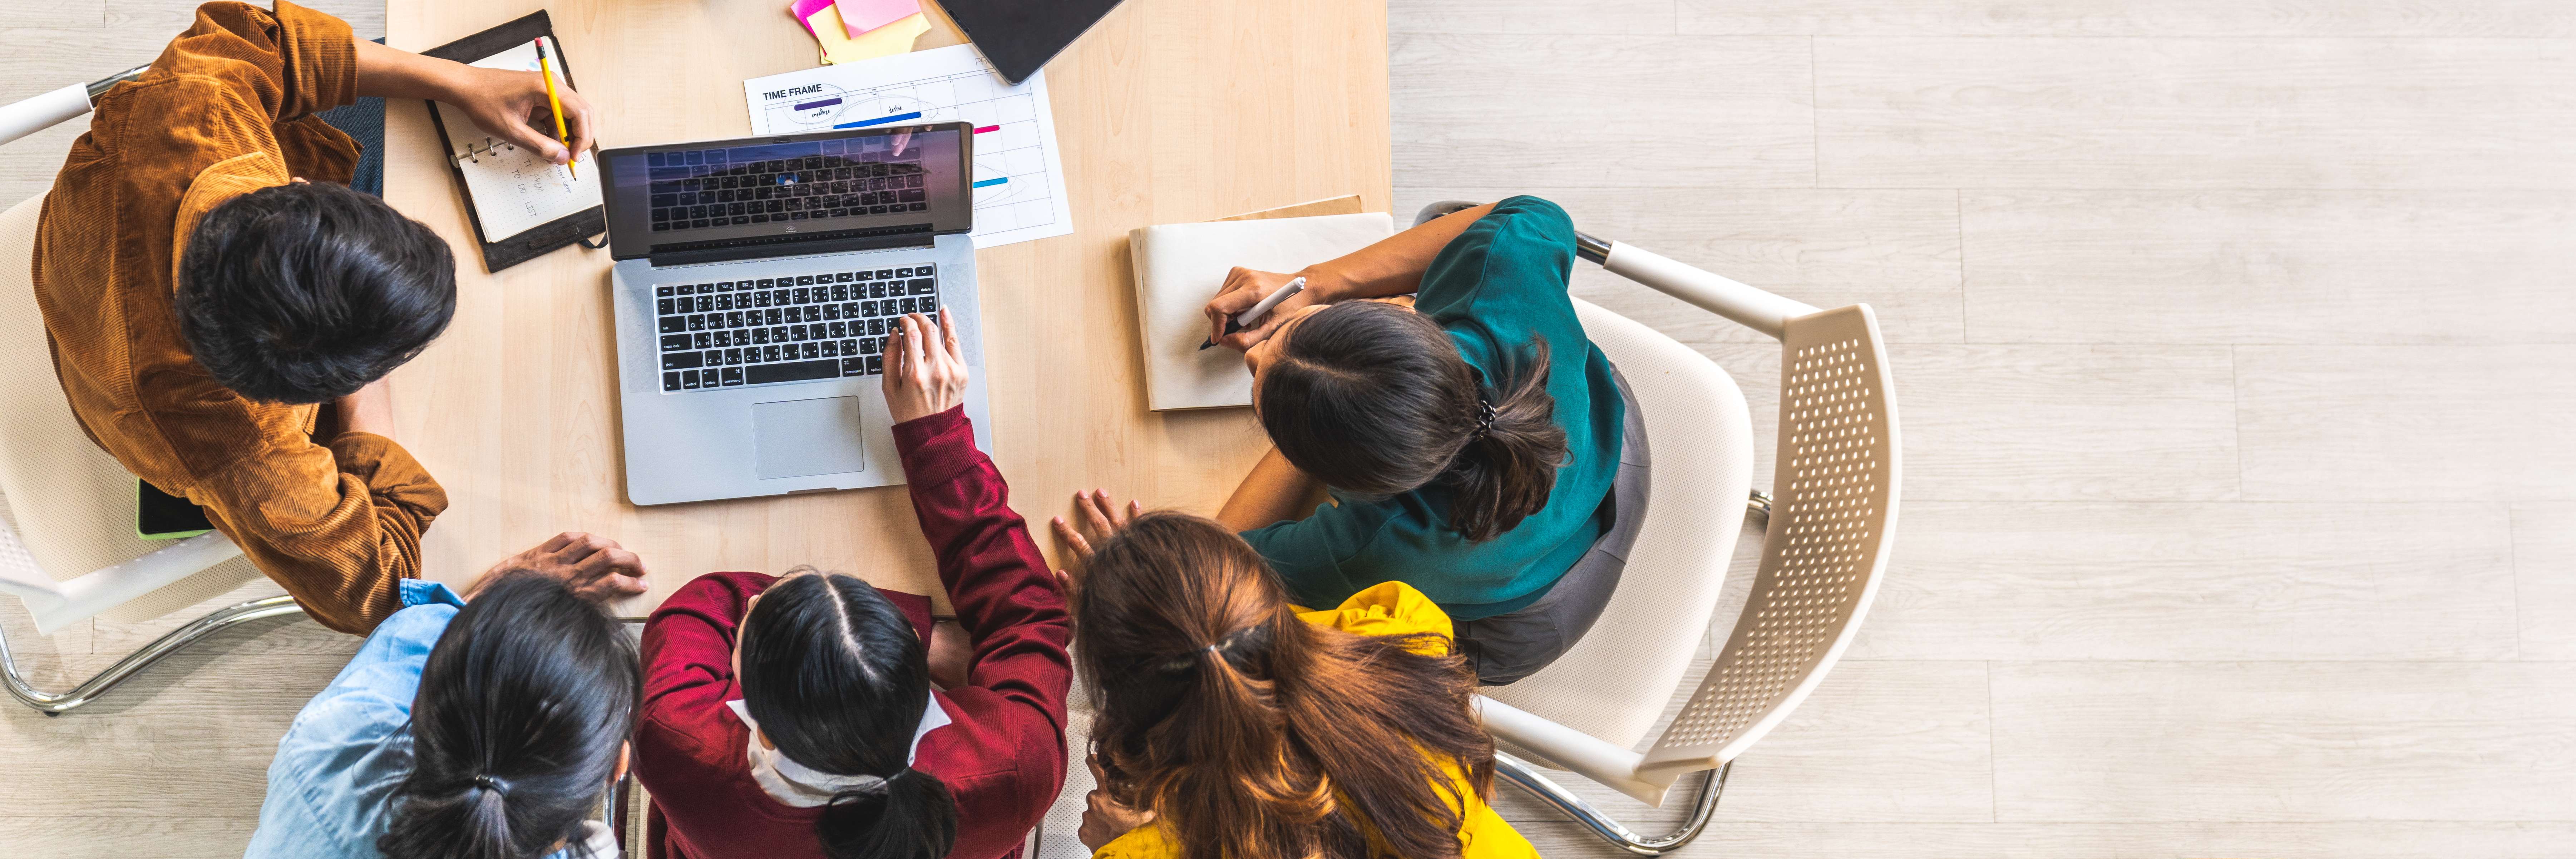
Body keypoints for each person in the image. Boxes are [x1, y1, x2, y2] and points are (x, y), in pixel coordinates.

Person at [35, 1, 610, 634]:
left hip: (94, 258)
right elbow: (378, 594)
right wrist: (365, 400)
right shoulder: (245, 450)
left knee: (417, 66)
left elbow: (274, 42)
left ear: (302, 188)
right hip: (117, 378)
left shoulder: (194, 104)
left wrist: (462, 81)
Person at [1072, 195, 1640, 684]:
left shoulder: (1373, 548)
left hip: (1525, 621)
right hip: (1610, 459)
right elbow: (1537, 215)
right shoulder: (1503, 280)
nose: (1252, 350)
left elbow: (1223, 572)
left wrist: (1135, 565)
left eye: (1258, 374)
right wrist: (1317, 285)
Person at [635, 309, 1072, 859]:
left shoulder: (679, 745)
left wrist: (922, 631)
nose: (749, 603)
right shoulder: (1014, 767)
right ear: (919, 686)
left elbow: (706, 603)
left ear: (760, 726)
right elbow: (1029, 615)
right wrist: (937, 439)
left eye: (752, 623)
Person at [1053, 508, 1538, 859]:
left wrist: (1112, 841)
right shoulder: (1403, 634)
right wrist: (1179, 601)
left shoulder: (1146, 850)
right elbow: (1258, 643)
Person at [246, 532, 649, 859]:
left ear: (416, 706)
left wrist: (499, 596)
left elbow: (416, 632)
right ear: (619, 765)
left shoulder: (334, 741)